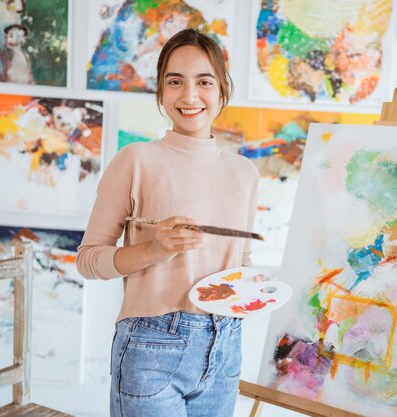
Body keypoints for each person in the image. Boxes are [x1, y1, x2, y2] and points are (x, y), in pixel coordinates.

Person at [76, 29, 259, 417]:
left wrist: (253, 288)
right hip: (151, 344)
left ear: (223, 89)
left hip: (225, 343)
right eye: (175, 81)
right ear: (160, 91)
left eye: (204, 81)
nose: (189, 95)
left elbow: (241, 262)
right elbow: (88, 260)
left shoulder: (245, 172)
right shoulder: (136, 160)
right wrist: (153, 250)